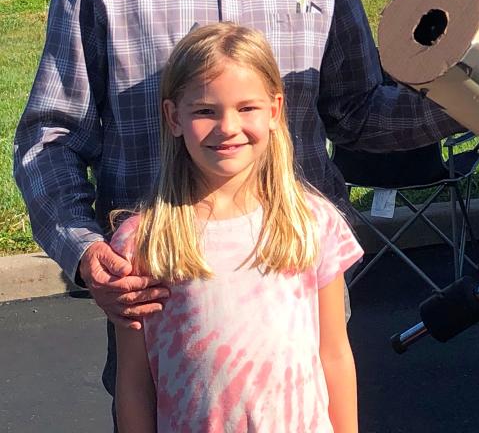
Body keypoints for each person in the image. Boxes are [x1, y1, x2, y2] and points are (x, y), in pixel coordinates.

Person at [13, 0, 457, 407]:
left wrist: (474, 98)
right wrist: (80, 247)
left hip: (295, 289)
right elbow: (51, 135)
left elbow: (360, 113)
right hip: (162, 295)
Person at [111, 22, 362, 433]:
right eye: (205, 111)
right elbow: (134, 385)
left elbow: (334, 354)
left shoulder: (311, 223)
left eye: (247, 108)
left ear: (275, 111)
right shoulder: (142, 242)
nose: (228, 127)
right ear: (173, 117)